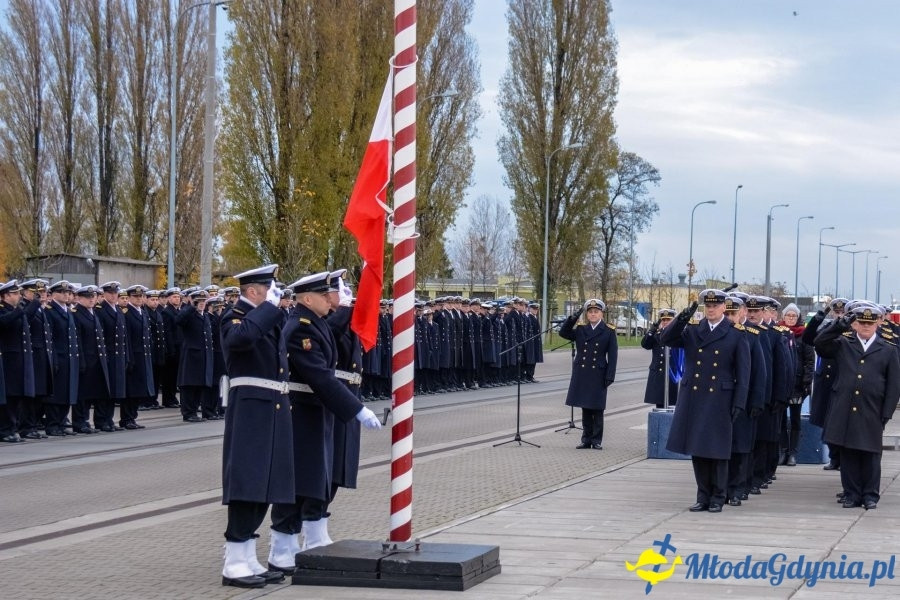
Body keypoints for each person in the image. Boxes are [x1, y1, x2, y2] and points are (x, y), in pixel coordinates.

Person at [267, 272, 381, 573]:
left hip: (315, 411)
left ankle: (302, 540)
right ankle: (282, 546)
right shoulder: (299, 328)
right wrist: (355, 408)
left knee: (314, 477)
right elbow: (318, 374)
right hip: (300, 412)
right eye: (325, 294)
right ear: (307, 298)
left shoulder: (314, 324)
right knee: (295, 482)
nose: (331, 299)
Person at [220, 264, 293, 588]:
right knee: (247, 483)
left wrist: (269, 311)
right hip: (250, 409)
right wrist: (266, 310)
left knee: (264, 486)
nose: (274, 294)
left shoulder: (263, 317)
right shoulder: (233, 317)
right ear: (253, 291)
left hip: (272, 409)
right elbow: (241, 339)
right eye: (269, 289)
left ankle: (248, 555)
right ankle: (234, 559)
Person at [660, 289, 750, 513]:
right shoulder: (692, 330)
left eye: (714, 306)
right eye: (706, 306)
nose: (710, 309)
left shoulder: (736, 334)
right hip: (695, 397)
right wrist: (683, 316)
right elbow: (666, 338)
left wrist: (739, 402)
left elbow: (744, 373)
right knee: (698, 449)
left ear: (723, 308)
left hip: (721, 398)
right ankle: (703, 496)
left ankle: (718, 497)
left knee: (717, 450)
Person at [814, 304, 900, 510]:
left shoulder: (888, 348)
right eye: (861, 322)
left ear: (879, 322)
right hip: (845, 405)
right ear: (855, 323)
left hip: (872, 407)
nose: (866, 327)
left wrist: (886, 412)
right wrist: (837, 326)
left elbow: (894, 385)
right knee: (848, 452)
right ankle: (852, 494)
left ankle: (870, 495)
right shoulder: (844, 343)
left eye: (870, 323)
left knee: (870, 453)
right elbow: (820, 344)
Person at [558, 299, 618, 450]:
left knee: (597, 408)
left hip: (598, 373)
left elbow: (613, 355)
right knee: (585, 407)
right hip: (583, 373)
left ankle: (596, 440)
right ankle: (586, 439)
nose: (592, 314)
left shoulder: (609, 331)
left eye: (596, 312)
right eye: (590, 312)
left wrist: (610, 375)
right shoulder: (580, 329)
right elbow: (563, 332)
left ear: (601, 314)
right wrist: (573, 317)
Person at [0, 280, 38, 442]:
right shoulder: (2, 310)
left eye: (18, 293)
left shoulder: (15, 310)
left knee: (16, 397)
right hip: (9, 360)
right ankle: (4, 430)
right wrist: (21, 310)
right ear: (5, 296)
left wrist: (33, 304)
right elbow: (4, 323)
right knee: (8, 397)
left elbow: (24, 321)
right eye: (14, 293)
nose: (18, 296)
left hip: (19, 359)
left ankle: (12, 428)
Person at [779, 303, 814, 466]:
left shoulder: (804, 335)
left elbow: (809, 360)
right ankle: (783, 451)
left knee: (795, 420)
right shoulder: (779, 333)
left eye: (794, 316)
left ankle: (793, 453)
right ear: (783, 317)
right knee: (780, 419)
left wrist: (807, 382)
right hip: (782, 384)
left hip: (798, 385)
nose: (791, 319)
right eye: (788, 315)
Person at [72, 285, 109, 434]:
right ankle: (80, 422)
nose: (91, 299)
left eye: (93, 297)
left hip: (97, 359)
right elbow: (78, 340)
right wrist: (81, 360)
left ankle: (98, 421)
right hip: (85, 359)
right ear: (79, 298)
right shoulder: (76, 313)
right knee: (83, 394)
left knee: (97, 392)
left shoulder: (93, 313)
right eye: (88, 297)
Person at [45, 281, 80, 436]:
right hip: (58, 357)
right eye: (62, 292)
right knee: (56, 394)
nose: (67, 295)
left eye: (68, 292)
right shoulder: (50, 311)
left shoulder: (68, 311)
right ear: (53, 294)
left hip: (70, 358)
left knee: (67, 392)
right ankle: (52, 424)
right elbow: (49, 338)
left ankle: (61, 422)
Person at [640, 308, 681, 408]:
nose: (666, 322)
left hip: (673, 376)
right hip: (659, 376)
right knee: (660, 407)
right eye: (663, 320)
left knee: (674, 406)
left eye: (668, 320)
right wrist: (653, 328)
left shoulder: (678, 335)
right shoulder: (656, 334)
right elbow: (645, 344)